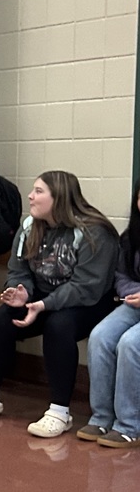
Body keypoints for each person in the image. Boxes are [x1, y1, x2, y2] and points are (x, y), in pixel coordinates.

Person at [0, 170, 118, 437]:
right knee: (2, 318)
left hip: (89, 304)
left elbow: (86, 287)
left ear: (60, 197)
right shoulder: (31, 225)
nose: (30, 196)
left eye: (39, 191)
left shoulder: (94, 232)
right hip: (41, 300)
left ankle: (60, 411)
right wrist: (21, 293)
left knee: (59, 325)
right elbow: (18, 269)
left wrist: (42, 305)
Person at [78, 185, 140, 448]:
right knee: (101, 336)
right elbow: (121, 276)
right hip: (135, 304)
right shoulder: (131, 236)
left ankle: (129, 426)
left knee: (130, 343)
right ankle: (102, 417)